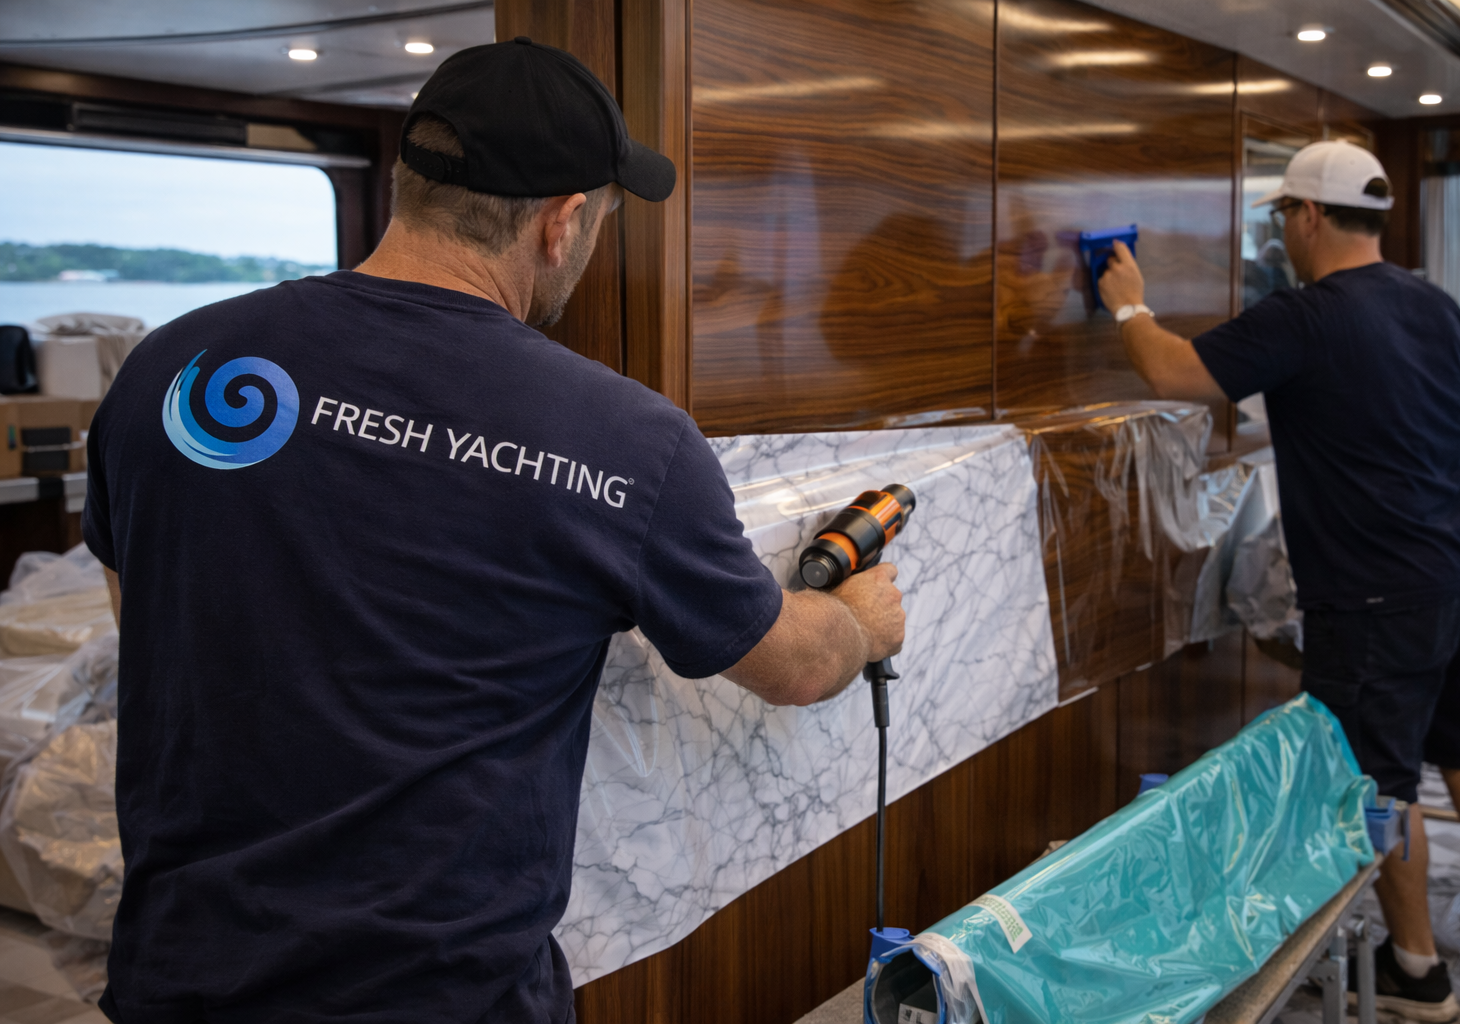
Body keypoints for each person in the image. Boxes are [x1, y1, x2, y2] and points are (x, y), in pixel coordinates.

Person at [84, 38, 905, 1024]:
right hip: (443, 999)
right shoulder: (626, 440)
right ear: (561, 223)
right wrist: (860, 621)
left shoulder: (171, 371)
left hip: (178, 980)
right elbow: (792, 665)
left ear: (409, 182)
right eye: (600, 221)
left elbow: (151, 623)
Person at [1099, 140, 1460, 1023]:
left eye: (1285, 215)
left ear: (1310, 216)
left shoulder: (1305, 316)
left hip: (1378, 594)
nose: (1283, 233)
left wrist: (1126, 300)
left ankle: (1416, 971)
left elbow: (1174, 370)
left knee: (1376, 781)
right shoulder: (1437, 305)